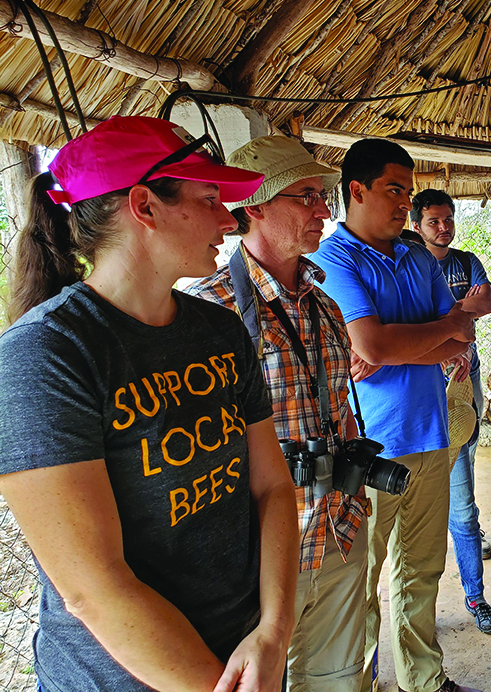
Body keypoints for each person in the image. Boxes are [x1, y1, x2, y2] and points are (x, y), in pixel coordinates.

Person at [0, 116, 299, 692]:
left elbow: (271, 487)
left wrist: (272, 631)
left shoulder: (219, 329)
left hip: (247, 657)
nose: (229, 219)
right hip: (129, 677)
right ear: (145, 206)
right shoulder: (45, 355)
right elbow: (93, 586)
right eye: (210, 199)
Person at [186, 136, 369, 691]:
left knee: (339, 680)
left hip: (339, 530)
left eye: (324, 196)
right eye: (307, 196)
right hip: (261, 556)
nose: (324, 211)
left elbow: (339, 408)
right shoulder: (207, 310)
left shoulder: (325, 304)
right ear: (256, 205)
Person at [309, 139, 481, 692]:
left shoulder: (415, 256)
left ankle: (422, 679)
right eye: (394, 189)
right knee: (359, 580)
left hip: (432, 434)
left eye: (408, 190)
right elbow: (377, 344)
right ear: (355, 190)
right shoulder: (333, 260)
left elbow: (462, 337)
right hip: (370, 447)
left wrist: (401, 342)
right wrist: (432, 332)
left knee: (422, 570)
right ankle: (359, 683)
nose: (405, 202)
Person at [411, 188, 491, 635]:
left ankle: (476, 596)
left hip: (460, 395)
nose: (443, 227)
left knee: (462, 508)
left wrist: (441, 318)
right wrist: (453, 320)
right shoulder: (408, 265)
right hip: (415, 402)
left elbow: (485, 303)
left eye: (448, 219)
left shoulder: (464, 261)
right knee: (409, 520)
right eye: (433, 221)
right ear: (416, 225)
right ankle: (414, 612)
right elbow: (398, 328)